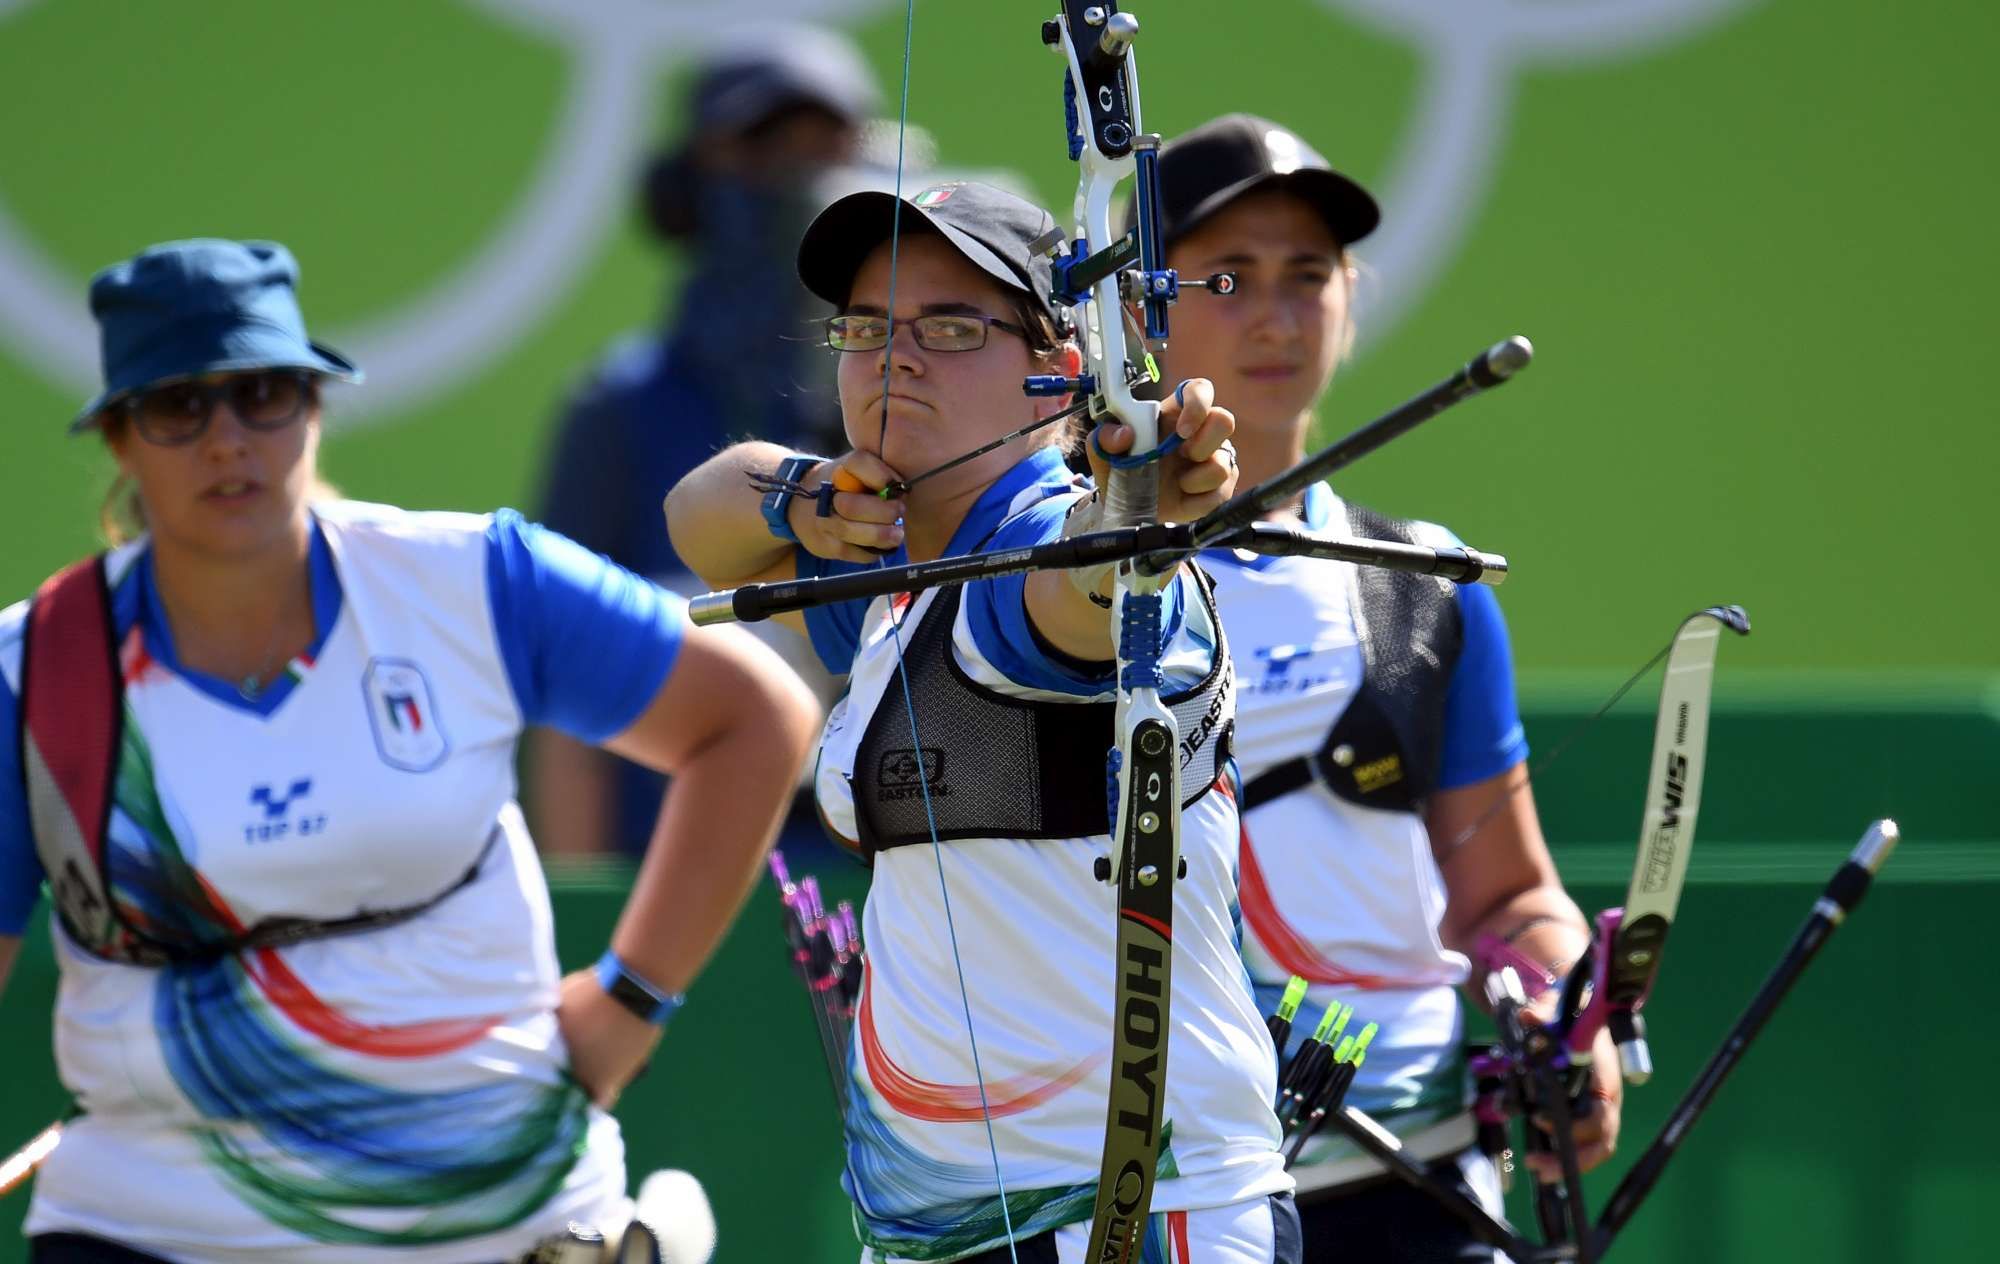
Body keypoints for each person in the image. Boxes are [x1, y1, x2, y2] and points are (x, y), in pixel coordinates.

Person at [0, 239, 820, 1263]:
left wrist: (632, 998)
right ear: (121, 437)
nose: (227, 440)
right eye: (179, 406)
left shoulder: (471, 580)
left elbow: (758, 717)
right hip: (152, 1228)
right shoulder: (34, 670)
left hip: (495, 1214)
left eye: (263, 393)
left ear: (314, 406)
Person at [664, 181, 1299, 1263]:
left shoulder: (1030, 558)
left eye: (952, 329)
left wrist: (1134, 510)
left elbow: (1082, 591)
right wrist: (808, 496)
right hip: (952, 1229)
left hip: (1134, 1219)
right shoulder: (887, 568)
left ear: (1061, 366)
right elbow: (698, 514)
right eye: (868, 328)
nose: (895, 359)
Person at [1147, 114, 1621, 1261]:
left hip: (1417, 1187)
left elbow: (1507, 897)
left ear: (1349, 297)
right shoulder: (1059, 584)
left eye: (1307, 275)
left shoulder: (1422, 581)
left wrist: (1560, 1005)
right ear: (1132, 311)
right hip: (1160, 1201)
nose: (1274, 317)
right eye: (1226, 278)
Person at [530, 27, 879, 858]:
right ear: (684, 192)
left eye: (826, 152)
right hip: (672, 884)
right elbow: (565, 700)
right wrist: (588, 913)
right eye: (762, 151)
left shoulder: (906, 415)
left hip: (882, 895)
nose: (799, 183)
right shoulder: (618, 412)